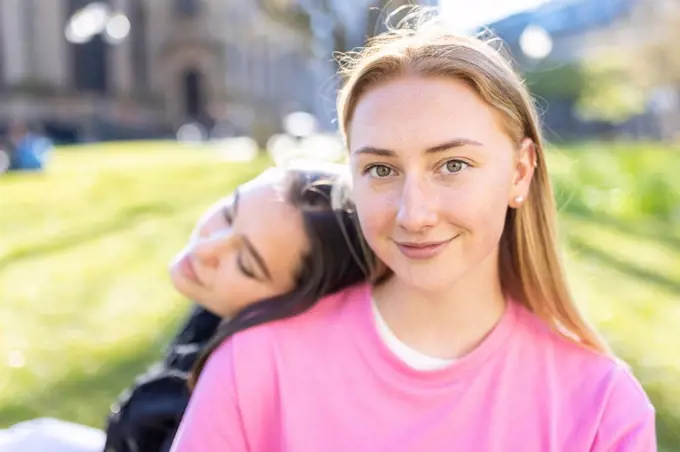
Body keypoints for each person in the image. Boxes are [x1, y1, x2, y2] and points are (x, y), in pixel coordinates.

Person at [171, 9, 656, 452]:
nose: (413, 215)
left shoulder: (602, 408)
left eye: (452, 164)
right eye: (381, 170)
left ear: (519, 172)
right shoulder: (252, 369)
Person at [0, 163, 374, 452]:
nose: (208, 248)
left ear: (294, 310)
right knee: (32, 438)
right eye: (229, 213)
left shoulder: (241, 388)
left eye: (246, 264)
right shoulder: (218, 314)